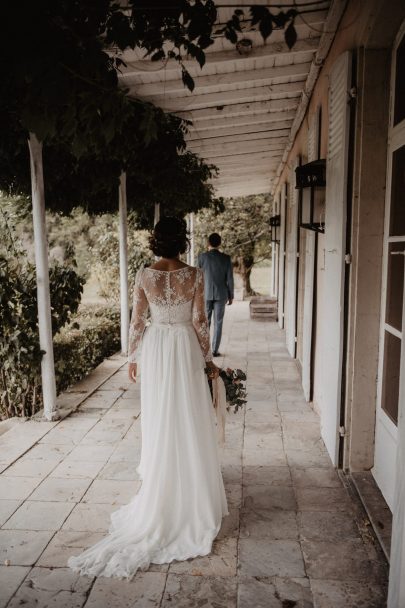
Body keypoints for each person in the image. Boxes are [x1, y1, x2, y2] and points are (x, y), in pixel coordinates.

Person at [68, 216, 228, 579]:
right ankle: (191, 494)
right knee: (188, 414)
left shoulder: (144, 276)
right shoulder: (194, 275)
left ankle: (162, 487)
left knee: (160, 417)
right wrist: (207, 359)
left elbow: (137, 321)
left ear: (156, 242)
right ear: (181, 241)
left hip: (157, 348)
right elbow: (201, 322)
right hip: (185, 346)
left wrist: (133, 357)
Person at [197, 233, 234, 357]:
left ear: (208, 243)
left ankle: (204, 350)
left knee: (205, 322)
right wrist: (231, 295)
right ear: (220, 243)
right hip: (221, 294)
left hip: (205, 294)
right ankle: (214, 350)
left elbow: (198, 277)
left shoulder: (202, 257)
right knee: (218, 322)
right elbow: (230, 278)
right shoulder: (226, 258)